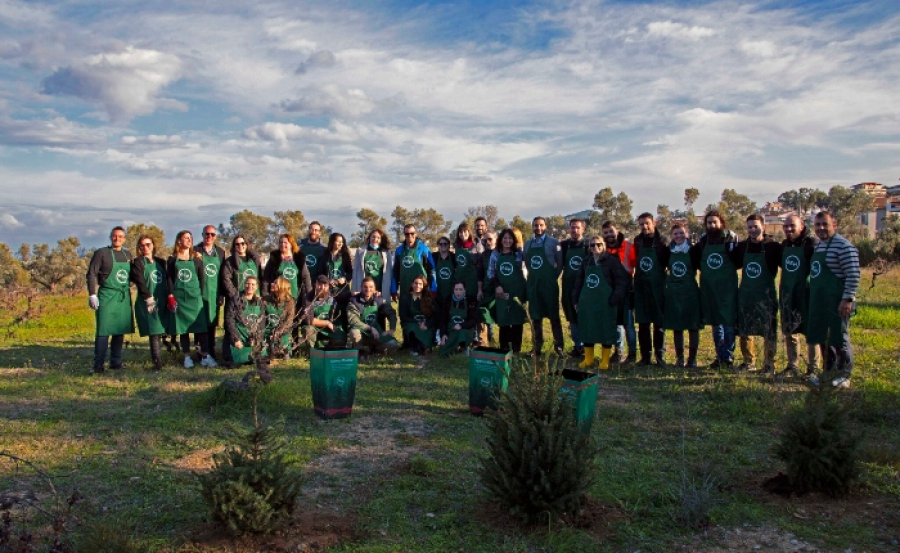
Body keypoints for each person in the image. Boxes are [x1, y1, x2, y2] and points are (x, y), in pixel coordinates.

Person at [807, 211, 859, 388]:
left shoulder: (844, 246)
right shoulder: (820, 246)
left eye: (825, 224)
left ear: (833, 225)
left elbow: (853, 274)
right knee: (824, 337)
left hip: (838, 301)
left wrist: (847, 299)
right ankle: (828, 373)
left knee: (840, 337)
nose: (821, 228)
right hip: (821, 302)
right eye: (818, 225)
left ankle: (844, 374)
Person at [729, 214, 782, 373]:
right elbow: (732, 263)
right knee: (745, 329)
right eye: (749, 227)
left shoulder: (773, 246)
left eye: (755, 226)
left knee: (769, 330)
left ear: (763, 226)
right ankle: (748, 361)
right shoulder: (742, 247)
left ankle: (769, 363)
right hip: (746, 294)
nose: (752, 230)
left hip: (766, 294)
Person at [690, 210, 739, 369]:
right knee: (716, 323)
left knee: (728, 322)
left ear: (721, 223)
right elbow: (696, 259)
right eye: (709, 223)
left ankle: (728, 357)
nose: (712, 225)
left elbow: (738, 260)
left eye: (714, 222)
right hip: (709, 288)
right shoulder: (703, 241)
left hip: (727, 289)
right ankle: (719, 356)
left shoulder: (730, 238)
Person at [572, 236, 629, 371]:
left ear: (603, 245)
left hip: (606, 303)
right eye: (592, 245)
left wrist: (614, 299)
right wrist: (575, 299)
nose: (595, 247)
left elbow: (622, 282)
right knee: (588, 328)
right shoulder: (587, 261)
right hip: (587, 303)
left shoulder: (612, 261)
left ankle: (605, 361)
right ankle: (588, 359)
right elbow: (579, 281)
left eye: (598, 244)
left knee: (606, 330)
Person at [87, 226, 134, 373]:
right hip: (107, 295)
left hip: (123, 296)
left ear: (124, 239)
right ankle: (98, 365)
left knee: (119, 330)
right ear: (110, 237)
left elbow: (133, 275)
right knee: (103, 330)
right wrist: (92, 294)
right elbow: (91, 274)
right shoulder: (102, 253)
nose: (117, 238)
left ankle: (116, 362)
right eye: (114, 236)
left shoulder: (128, 255)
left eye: (120, 236)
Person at [167, 230, 216, 368]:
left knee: (201, 328)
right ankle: (187, 357)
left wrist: (199, 294)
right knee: (184, 328)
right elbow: (169, 279)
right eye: (185, 238)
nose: (188, 240)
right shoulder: (172, 259)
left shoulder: (196, 258)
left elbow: (201, 278)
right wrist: (170, 296)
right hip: (181, 299)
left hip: (195, 298)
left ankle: (205, 355)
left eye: (190, 238)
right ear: (179, 241)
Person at [779, 214, 821, 376]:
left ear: (801, 227)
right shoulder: (784, 245)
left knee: (811, 332)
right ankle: (792, 366)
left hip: (806, 294)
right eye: (786, 227)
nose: (788, 229)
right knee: (790, 332)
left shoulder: (811, 244)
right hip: (788, 293)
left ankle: (813, 368)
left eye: (792, 226)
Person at [659, 224, 702, 368]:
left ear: (687, 234)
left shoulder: (694, 251)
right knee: (677, 326)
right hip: (673, 292)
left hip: (690, 291)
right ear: (672, 236)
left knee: (693, 326)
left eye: (681, 233)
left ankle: (692, 359)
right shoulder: (668, 251)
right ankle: (679, 359)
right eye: (675, 234)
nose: (678, 236)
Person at [264, 233, 313, 350]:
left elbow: (306, 278)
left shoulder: (298, 258)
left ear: (291, 244)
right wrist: (265, 294)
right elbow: (266, 278)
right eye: (280, 242)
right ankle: (276, 345)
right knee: (280, 319)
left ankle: (293, 346)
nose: (282, 245)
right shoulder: (274, 258)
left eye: (285, 242)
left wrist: (309, 295)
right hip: (278, 296)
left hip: (295, 295)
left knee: (294, 320)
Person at [524, 217, 564, 356]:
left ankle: (559, 347)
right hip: (534, 284)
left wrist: (553, 277)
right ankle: (537, 347)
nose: (538, 228)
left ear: (545, 226)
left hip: (549, 285)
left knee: (554, 316)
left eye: (541, 225)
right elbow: (528, 263)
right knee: (535, 317)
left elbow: (560, 262)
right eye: (535, 225)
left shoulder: (554, 243)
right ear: (532, 226)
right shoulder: (528, 244)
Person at [220, 234, 262, 367]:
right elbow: (226, 280)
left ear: (247, 244)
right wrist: (236, 296)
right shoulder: (229, 262)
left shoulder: (254, 260)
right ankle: (229, 355)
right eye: (237, 244)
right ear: (234, 246)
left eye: (243, 243)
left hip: (253, 298)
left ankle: (252, 353)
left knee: (252, 323)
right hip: (236, 299)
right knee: (232, 326)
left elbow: (260, 276)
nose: (240, 246)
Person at [632, 213, 668, 366]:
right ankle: (645, 356)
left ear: (654, 222)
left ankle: (660, 356)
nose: (644, 227)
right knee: (643, 323)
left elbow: (668, 262)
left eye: (647, 223)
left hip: (658, 286)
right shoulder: (637, 241)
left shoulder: (663, 241)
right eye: (641, 224)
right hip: (641, 286)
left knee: (659, 323)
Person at [391, 224, 436, 343]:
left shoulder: (424, 249)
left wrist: (433, 288)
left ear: (416, 234)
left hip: (422, 289)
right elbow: (395, 272)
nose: (409, 236)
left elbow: (431, 270)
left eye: (412, 233)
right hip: (406, 289)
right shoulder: (399, 251)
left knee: (422, 313)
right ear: (404, 235)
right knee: (404, 314)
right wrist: (394, 289)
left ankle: (424, 339)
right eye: (407, 234)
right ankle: (407, 341)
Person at [130, 234, 168, 371]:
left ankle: (169, 352)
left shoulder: (161, 262)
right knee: (154, 330)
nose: (145, 247)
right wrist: (148, 298)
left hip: (162, 298)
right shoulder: (138, 262)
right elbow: (140, 281)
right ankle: (157, 362)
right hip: (148, 300)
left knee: (162, 329)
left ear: (153, 245)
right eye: (142, 245)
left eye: (148, 244)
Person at [486, 229, 527, 353]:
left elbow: (525, 271)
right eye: (505, 238)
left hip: (517, 291)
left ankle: (516, 348)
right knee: (503, 319)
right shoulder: (495, 254)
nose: (507, 241)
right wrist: (497, 286)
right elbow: (491, 273)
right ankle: (503, 347)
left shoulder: (519, 254)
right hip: (501, 291)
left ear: (514, 240)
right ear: (500, 239)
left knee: (517, 319)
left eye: (510, 238)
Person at [601, 221, 637, 363]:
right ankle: (619, 352)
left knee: (628, 324)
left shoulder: (628, 247)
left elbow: (636, 264)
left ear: (617, 230)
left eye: (611, 231)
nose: (609, 235)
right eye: (606, 232)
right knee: (615, 323)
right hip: (610, 291)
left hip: (627, 290)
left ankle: (633, 354)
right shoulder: (603, 249)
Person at [347, 277, 399, 358]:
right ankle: (360, 351)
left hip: (376, 334)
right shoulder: (354, 301)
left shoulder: (379, 300)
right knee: (354, 332)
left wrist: (392, 328)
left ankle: (375, 349)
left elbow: (391, 313)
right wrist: (370, 328)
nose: (368, 289)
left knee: (393, 344)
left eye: (371, 287)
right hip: (361, 333)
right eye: (365, 287)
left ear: (375, 289)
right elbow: (353, 321)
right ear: (361, 288)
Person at [195, 225, 226, 360]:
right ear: (202, 235)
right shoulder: (195, 250)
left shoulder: (220, 252)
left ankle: (211, 350)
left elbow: (223, 275)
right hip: (199, 293)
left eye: (212, 235)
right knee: (199, 323)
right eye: (207, 234)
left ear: (215, 237)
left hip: (214, 293)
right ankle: (200, 352)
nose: (209, 237)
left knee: (212, 322)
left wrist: (222, 294)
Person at [560, 218, 588, 358]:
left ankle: (588, 347)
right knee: (572, 317)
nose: (574, 230)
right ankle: (578, 346)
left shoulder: (588, 245)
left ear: (583, 229)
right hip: (568, 285)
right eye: (572, 228)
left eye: (577, 228)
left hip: (584, 286)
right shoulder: (564, 246)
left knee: (585, 316)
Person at [224, 276, 265, 366]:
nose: (250, 286)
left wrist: (256, 339)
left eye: (253, 284)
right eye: (247, 283)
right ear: (244, 284)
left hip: (252, 338)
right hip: (238, 337)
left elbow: (262, 323)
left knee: (261, 358)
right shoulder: (235, 299)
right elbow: (229, 320)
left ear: (257, 287)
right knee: (234, 361)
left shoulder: (259, 302)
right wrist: (236, 339)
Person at [302, 275, 347, 349]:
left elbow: (348, 295)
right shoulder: (308, 298)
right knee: (308, 330)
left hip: (331, 328)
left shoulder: (334, 295)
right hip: (315, 328)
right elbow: (309, 320)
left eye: (325, 285)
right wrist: (327, 323)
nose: (322, 287)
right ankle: (313, 351)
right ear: (315, 284)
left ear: (329, 286)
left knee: (340, 338)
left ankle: (331, 347)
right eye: (319, 284)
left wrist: (355, 294)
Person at [400, 274, 438, 355]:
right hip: (411, 323)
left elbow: (435, 314)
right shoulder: (405, 298)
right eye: (415, 283)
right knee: (412, 329)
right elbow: (403, 316)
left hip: (425, 325)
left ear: (423, 285)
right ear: (412, 284)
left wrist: (426, 324)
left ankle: (424, 347)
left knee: (425, 341)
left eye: (420, 284)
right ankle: (414, 348)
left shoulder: (428, 298)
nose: (417, 286)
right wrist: (417, 323)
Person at [438, 281, 478, 356]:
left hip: (465, 329)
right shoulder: (448, 301)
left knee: (462, 333)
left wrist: (461, 325)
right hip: (451, 329)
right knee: (443, 352)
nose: (458, 292)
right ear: (453, 290)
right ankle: (453, 348)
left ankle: (464, 347)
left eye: (460, 289)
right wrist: (443, 334)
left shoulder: (470, 301)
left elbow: (474, 320)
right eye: (456, 289)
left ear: (464, 290)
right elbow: (443, 320)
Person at [352, 228, 393, 296]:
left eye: (378, 238)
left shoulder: (386, 252)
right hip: (365, 286)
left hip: (380, 286)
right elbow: (355, 270)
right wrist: (354, 289)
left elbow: (389, 271)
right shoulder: (360, 251)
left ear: (381, 240)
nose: (375, 239)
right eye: (373, 236)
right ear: (370, 237)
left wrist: (391, 289)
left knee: (380, 305)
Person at [263, 276, 296, 358]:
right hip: (267, 330)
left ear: (282, 287)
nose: (271, 284)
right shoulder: (265, 299)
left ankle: (283, 352)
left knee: (283, 341)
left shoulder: (290, 302)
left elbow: (288, 321)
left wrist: (277, 333)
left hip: (282, 331)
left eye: (275, 283)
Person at [453, 222, 484, 303]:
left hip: (472, 282)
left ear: (469, 232)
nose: (462, 234)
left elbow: (480, 265)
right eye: (460, 232)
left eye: (465, 231)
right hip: (459, 281)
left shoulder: (476, 245)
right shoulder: (456, 246)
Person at [323, 232, 353, 303]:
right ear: (332, 242)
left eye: (342, 242)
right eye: (338, 241)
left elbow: (350, 272)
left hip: (343, 291)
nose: (340, 244)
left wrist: (344, 279)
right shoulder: (325, 256)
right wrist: (327, 281)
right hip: (328, 291)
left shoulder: (345, 256)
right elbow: (320, 272)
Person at [433, 236, 457, 302]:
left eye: (445, 244)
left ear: (449, 245)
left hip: (451, 291)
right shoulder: (434, 256)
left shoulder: (453, 257)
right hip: (437, 290)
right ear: (438, 245)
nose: (443, 245)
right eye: (440, 244)